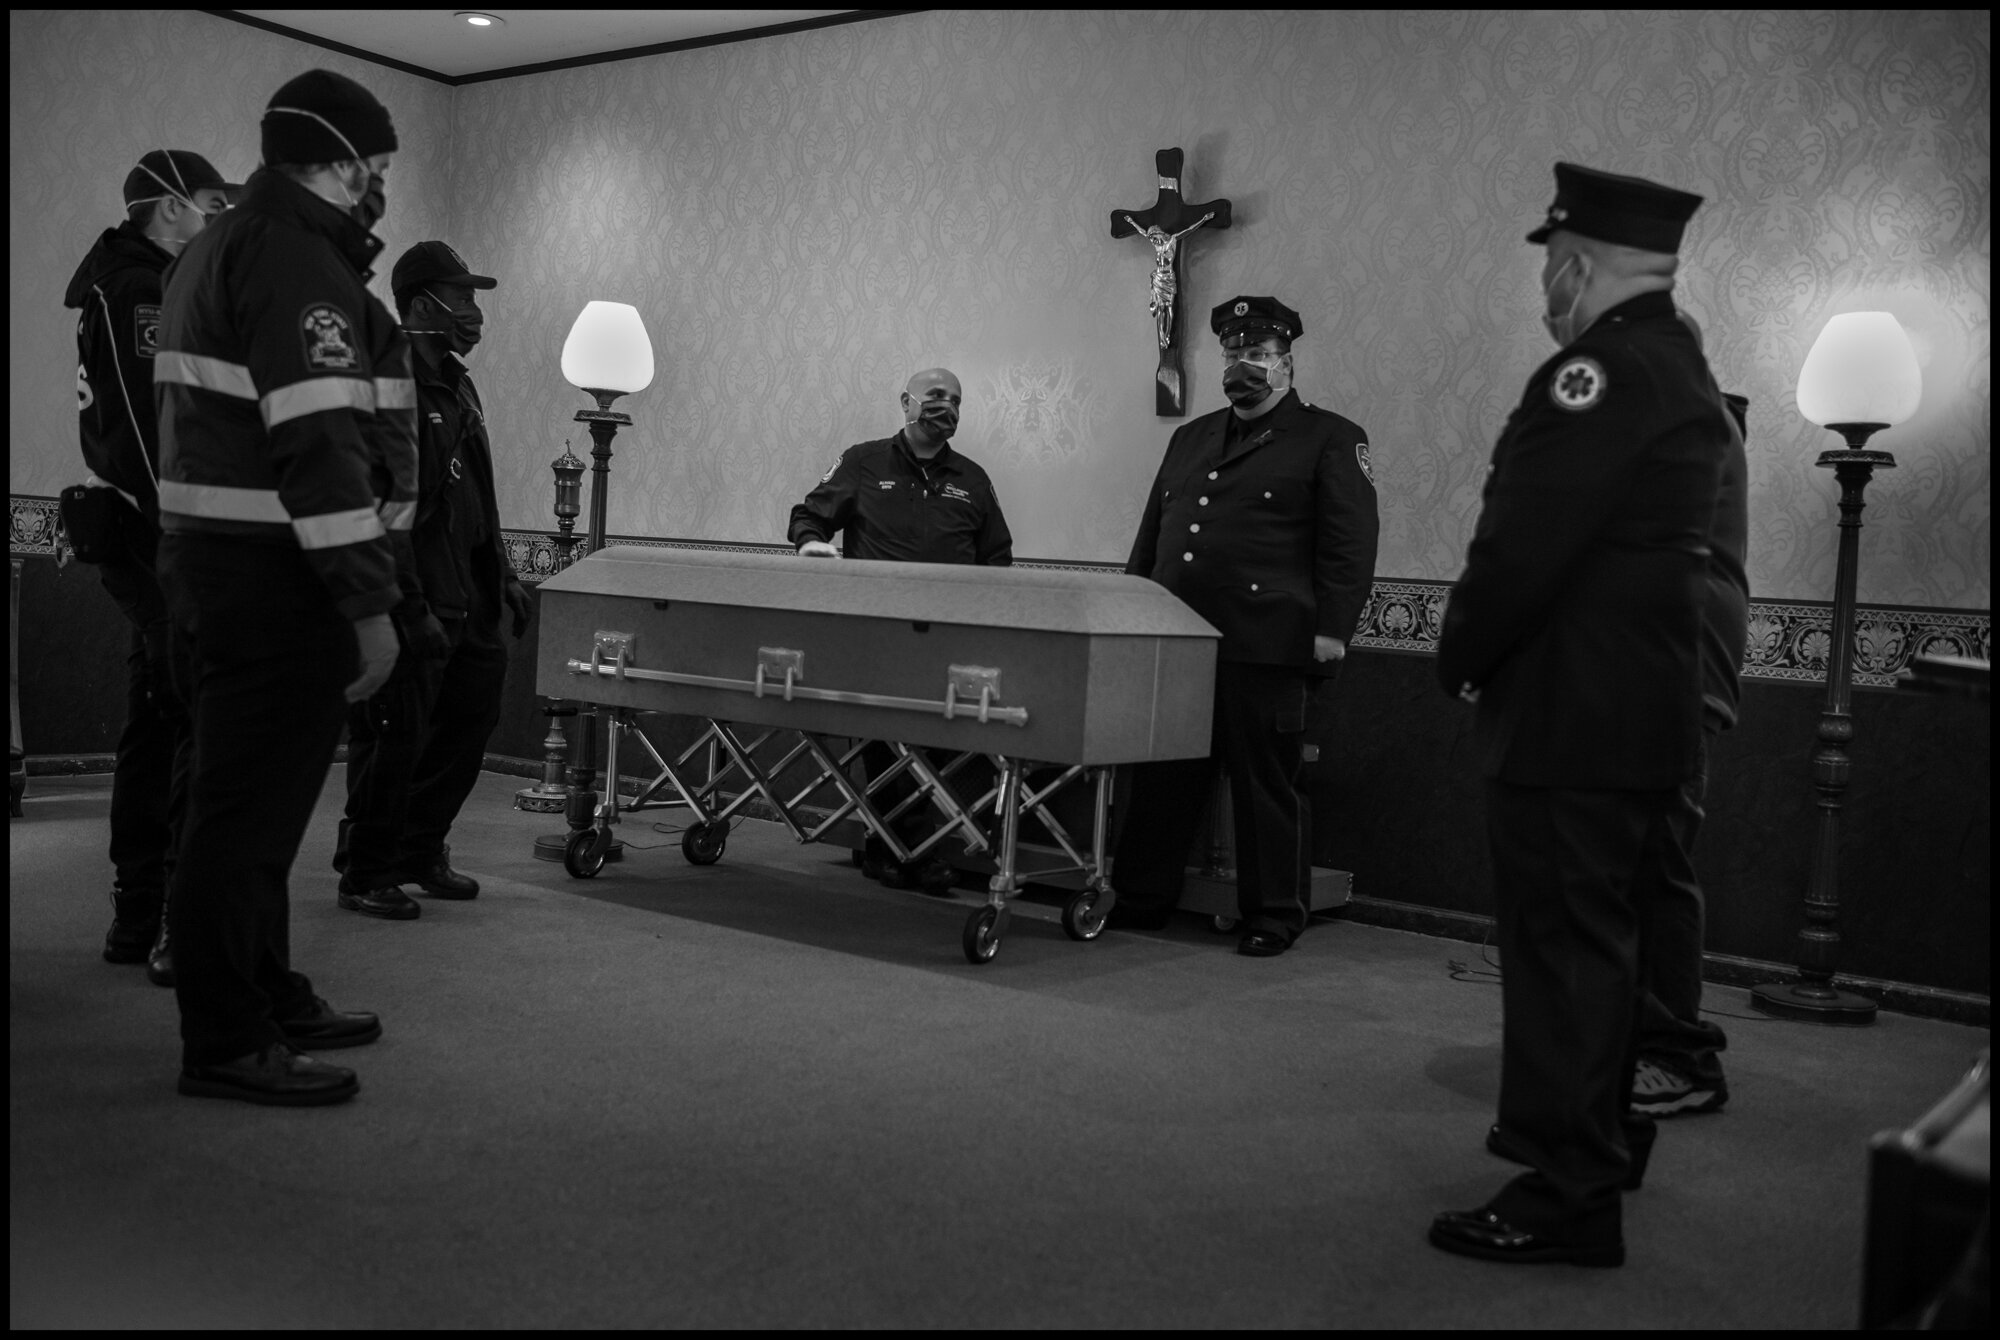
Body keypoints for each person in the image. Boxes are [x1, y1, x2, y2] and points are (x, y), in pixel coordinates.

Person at [1428, 163, 1731, 1266]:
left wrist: (1457, 658)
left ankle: (1564, 1188)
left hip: (1567, 716)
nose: (1545, 295)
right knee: (1608, 943)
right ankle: (1606, 1141)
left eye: (1549, 273)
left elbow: (1520, 547)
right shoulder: (1678, 359)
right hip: (1637, 714)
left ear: (1570, 265)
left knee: (1559, 954)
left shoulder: (1594, 374)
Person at [153, 68, 422, 1106]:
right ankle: (226, 1036)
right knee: (243, 817)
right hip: (276, 579)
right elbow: (317, 441)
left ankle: (265, 989)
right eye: (379, 168)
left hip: (226, 568)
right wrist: (368, 605)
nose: (378, 187)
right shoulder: (295, 257)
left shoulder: (222, 243)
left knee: (252, 808)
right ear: (344, 161)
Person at [1110, 296, 1380, 957]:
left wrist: (1332, 634)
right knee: (1163, 778)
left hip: (1270, 645)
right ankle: (1143, 898)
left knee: (1268, 787)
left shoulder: (1331, 437)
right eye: (1232, 354)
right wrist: (1132, 612)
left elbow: (1350, 546)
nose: (1242, 366)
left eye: (1257, 355)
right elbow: (1155, 536)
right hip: (1180, 640)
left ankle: (1273, 916)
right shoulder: (1191, 436)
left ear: (1286, 363)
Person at [64, 150, 236, 987]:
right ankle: (169, 914)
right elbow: (143, 425)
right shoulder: (138, 290)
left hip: (155, 534)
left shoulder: (145, 284)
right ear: (167, 207)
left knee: (157, 715)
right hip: (159, 536)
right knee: (188, 724)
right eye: (208, 203)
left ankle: (138, 913)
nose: (216, 217)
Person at [331, 241, 532, 920]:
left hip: (468, 594)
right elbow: (380, 501)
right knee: (394, 732)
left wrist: (502, 575)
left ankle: (421, 850)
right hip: (408, 592)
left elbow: (478, 490)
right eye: (464, 298)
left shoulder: (460, 384)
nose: (474, 313)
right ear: (423, 304)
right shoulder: (384, 383)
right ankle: (366, 869)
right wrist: (398, 600)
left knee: (467, 725)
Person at [787, 367, 1013, 889]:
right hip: (878, 632)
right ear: (906, 402)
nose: (946, 407)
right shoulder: (864, 461)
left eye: (956, 400)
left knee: (935, 744)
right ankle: (900, 853)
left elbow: (997, 558)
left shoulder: (973, 479)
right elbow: (810, 514)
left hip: (950, 634)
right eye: (936, 396)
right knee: (885, 741)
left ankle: (897, 848)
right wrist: (809, 544)